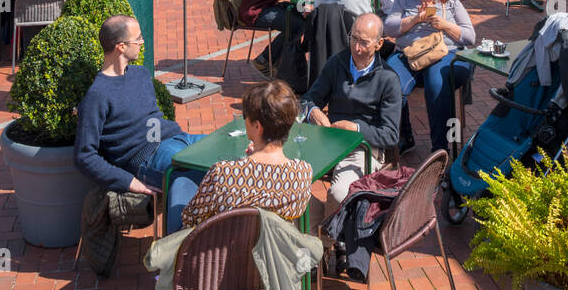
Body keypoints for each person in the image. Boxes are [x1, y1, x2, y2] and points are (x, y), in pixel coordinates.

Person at [74, 16, 205, 234]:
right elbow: (84, 155)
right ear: (121, 46)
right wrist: (128, 181)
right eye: (138, 39)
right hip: (147, 156)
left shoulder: (140, 74)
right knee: (207, 174)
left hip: (180, 138)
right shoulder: (97, 95)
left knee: (233, 152)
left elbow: (151, 118)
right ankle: (177, 254)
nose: (142, 43)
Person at [301, 13, 401, 218]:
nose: (356, 47)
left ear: (379, 44)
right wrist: (314, 112)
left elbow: (391, 135)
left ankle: (327, 239)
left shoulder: (389, 79)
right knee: (288, 178)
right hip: (330, 140)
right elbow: (309, 98)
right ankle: (319, 230)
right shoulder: (337, 63)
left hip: (362, 148)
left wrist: (356, 129)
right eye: (353, 38)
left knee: (339, 194)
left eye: (364, 42)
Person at [180, 80, 312, 229]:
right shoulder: (302, 174)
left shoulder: (223, 173)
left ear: (257, 126)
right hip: (274, 251)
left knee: (180, 183)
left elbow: (190, 218)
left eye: (246, 117)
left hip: (223, 250)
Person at [385, 0, 475, 155]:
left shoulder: (451, 3)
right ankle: (405, 137)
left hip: (444, 53)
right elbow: (389, 28)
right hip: (409, 54)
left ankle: (440, 149)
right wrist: (415, 19)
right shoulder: (404, 0)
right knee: (391, 83)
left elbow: (470, 37)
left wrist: (444, 24)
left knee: (437, 85)